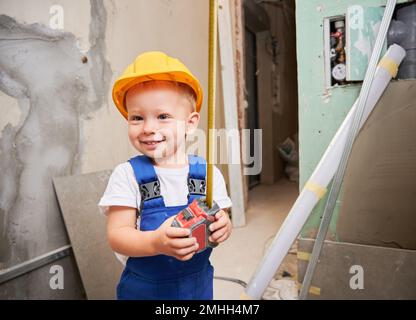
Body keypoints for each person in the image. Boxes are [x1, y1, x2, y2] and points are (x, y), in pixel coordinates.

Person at [98, 51, 233, 300]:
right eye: (137, 117)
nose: (149, 128)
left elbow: (221, 216)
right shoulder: (127, 175)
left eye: (163, 117)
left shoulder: (208, 174)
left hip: (198, 287)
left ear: (190, 123)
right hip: (145, 291)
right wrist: (155, 243)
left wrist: (224, 226)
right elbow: (117, 236)